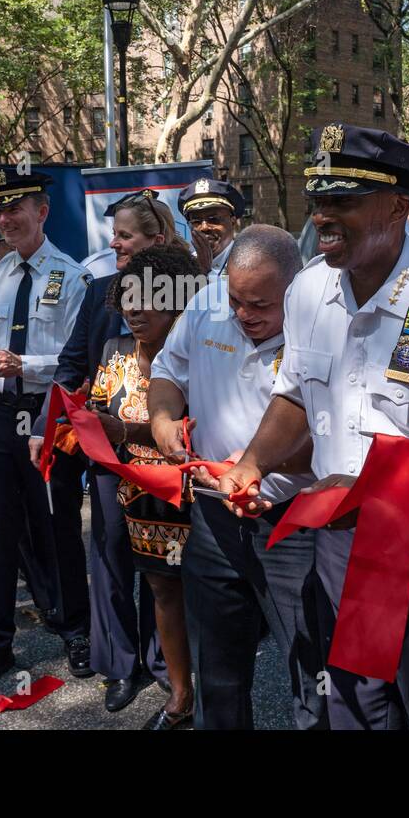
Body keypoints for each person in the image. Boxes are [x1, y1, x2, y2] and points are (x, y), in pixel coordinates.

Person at [215, 123, 409, 729]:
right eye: (320, 199)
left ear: (400, 206)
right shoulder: (307, 290)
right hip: (338, 534)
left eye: (344, 201)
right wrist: (252, 464)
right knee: (357, 708)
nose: (324, 215)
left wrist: (367, 498)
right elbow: (296, 394)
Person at [148, 225, 327, 730]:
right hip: (212, 519)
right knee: (219, 669)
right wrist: (164, 419)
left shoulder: (326, 322)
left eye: (261, 305)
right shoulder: (206, 305)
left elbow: (342, 429)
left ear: (295, 288)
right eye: (237, 301)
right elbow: (168, 369)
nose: (245, 315)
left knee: (310, 665)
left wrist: (266, 468)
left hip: (295, 523)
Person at [28, 188, 185, 712]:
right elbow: (73, 365)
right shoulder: (98, 293)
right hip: (109, 459)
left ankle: (166, 663)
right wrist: (53, 427)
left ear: (156, 241)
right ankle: (119, 664)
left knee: (164, 568)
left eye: (124, 235)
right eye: (113, 234)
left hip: (171, 464)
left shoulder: (192, 294)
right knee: (113, 557)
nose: (114, 243)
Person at [0, 169, 92, 702]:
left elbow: (77, 361)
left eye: (17, 208)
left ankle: (77, 630)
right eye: (0, 210)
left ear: (42, 211)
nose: (6, 219)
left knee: (56, 526)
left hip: (47, 415)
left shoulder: (75, 277)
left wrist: (25, 364)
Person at [86, 244, 205, 728]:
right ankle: (180, 698)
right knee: (160, 590)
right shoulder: (114, 352)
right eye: (129, 299)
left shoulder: (200, 357)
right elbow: (98, 408)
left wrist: (131, 432)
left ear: (178, 303)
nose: (136, 310)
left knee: (209, 596)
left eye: (150, 299)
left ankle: (217, 694)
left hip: (196, 495)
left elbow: (203, 426)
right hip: (139, 499)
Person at [178, 178, 245, 276]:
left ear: (233, 221)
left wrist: (206, 272)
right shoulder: (184, 265)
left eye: (213, 219)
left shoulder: (248, 262)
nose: (204, 227)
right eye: (196, 221)